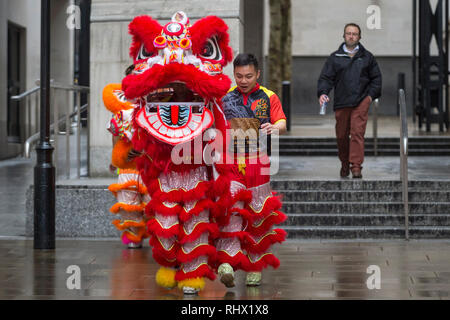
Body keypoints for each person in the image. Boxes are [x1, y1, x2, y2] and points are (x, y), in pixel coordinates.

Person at [215, 53, 287, 288]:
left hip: (259, 161)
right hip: (232, 162)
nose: (243, 80)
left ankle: (254, 265)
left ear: (257, 74)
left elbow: (282, 123)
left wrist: (274, 127)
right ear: (233, 74)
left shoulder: (269, 96)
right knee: (231, 211)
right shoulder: (225, 98)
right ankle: (227, 262)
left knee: (258, 213)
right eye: (238, 76)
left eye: (248, 76)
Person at [317, 23, 382, 179]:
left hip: (361, 101)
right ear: (344, 36)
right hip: (341, 102)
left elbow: (377, 79)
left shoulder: (367, 57)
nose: (351, 36)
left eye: (354, 34)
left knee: (357, 133)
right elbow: (326, 78)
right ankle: (345, 163)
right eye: (348, 33)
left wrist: (369, 97)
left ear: (359, 37)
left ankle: (356, 166)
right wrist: (323, 93)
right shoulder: (335, 57)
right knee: (341, 135)